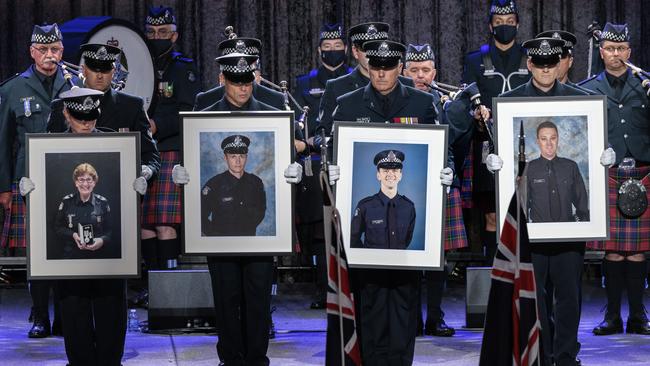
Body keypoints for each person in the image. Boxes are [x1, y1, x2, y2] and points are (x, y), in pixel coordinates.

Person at [485, 37, 615, 366]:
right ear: (529, 64)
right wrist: (494, 160)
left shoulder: (584, 101)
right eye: (538, 64)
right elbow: (499, 159)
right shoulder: (509, 102)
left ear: (559, 64)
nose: (545, 69)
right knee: (534, 294)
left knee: (569, 295)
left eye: (551, 64)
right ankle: (540, 352)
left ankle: (566, 355)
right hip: (530, 231)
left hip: (569, 232)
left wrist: (605, 158)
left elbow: (584, 199)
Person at [172, 52, 302, 365]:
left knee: (258, 300)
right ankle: (229, 358)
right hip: (220, 240)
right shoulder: (205, 112)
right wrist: (183, 172)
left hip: (257, 240)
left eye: (247, 81)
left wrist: (293, 168)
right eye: (235, 82)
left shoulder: (273, 114)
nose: (242, 89)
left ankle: (257, 358)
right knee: (226, 299)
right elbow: (200, 188)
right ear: (222, 80)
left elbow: (265, 201)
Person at [330, 39, 453, 365]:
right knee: (368, 306)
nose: (382, 73)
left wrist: (447, 171)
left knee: (403, 307)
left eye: (389, 67)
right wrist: (331, 169)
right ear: (368, 65)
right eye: (376, 66)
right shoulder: (348, 104)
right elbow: (332, 150)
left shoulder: (423, 103)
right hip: (366, 234)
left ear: (400, 67)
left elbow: (445, 148)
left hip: (404, 244)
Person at [19, 87, 144, 366]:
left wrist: (141, 179)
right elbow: (50, 217)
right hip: (69, 262)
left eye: (91, 116)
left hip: (110, 261)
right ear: (66, 113)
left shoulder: (116, 145)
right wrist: (29, 192)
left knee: (112, 319)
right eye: (79, 117)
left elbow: (118, 216)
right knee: (74, 320)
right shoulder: (49, 149)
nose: (86, 122)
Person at [0, 23, 74, 338]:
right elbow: (2, 143)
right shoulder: (12, 89)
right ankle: (41, 317)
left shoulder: (75, 84)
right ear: (32, 52)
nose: (49, 56)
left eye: (55, 49)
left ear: (62, 51)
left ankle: (65, 317)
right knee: (36, 254)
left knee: (67, 250)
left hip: (69, 178)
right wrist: (4, 186)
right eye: (43, 50)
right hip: (27, 180)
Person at [580, 22, 650, 336]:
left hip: (643, 170)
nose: (616, 54)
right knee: (611, 251)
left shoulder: (645, 85)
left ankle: (638, 315)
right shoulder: (589, 88)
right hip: (608, 173)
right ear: (602, 52)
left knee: (637, 250)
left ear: (629, 51)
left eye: (621, 49)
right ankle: (611, 317)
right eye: (610, 49)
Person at [402, 43, 475, 336]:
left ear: (435, 72)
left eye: (426, 70)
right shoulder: (399, 101)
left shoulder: (446, 103)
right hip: (405, 184)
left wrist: (462, 109)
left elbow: (458, 142)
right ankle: (410, 319)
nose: (420, 75)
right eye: (414, 70)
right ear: (404, 71)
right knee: (406, 258)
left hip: (441, 183)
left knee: (438, 259)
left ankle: (435, 317)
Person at [462, 0, 530, 264]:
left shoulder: (530, 57)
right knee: (491, 214)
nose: (505, 27)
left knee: (525, 209)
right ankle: (495, 272)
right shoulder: (475, 60)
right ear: (490, 26)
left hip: (525, 144)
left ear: (518, 24)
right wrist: (477, 115)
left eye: (510, 22)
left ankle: (522, 270)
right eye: (499, 23)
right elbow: (465, 102)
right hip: (487, 145)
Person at [293, 23, 352, 310]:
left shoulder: (354, 80)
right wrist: (312, 144)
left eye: (337, 47)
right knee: (318, 230)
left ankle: (347, 285)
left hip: (345, 157)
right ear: (318, 51)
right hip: (315, 164)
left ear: (346, 50)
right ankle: (321, 288)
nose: (332, 52)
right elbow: (300, 127)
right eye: (326, 48)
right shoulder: (305, 83)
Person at [142, 5, 201, 270]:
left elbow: (189, 110)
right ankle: (150, 287)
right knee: (144, 224)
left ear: (174, 36)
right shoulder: (135, 64)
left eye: (163, 32)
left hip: (168, 149)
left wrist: (157, 125)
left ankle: (167, 286)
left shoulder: (183, 69)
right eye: (152, 33)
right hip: (140, 150)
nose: (157, 38)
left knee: (165, 222)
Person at [46, 43, 160, 179]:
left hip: (121, 184)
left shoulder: (132, 106)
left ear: (114, 71)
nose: (99, 75)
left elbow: (150, 154)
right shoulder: (61, 107)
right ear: (83, 70)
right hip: (73, 183)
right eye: (94, 69)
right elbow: (49, 152)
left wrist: (148, 171)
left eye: (105, 70)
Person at [316, 22, 414, 147]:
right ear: (355, 51)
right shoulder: (337, 87)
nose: (372, 51)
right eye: (365, 47)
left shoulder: (407, 84)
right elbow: (321, 135)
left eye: (378, 46)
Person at [194, 36, 286, 111]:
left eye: (248, 60)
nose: (243, 88)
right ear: (222, 77)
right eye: (236, 82)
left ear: (254, 64)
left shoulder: (275, 100)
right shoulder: (205, 101)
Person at [201, 135, 266, 236]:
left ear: (246, 158)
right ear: (225, 158)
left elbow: (261, 210)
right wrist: (214, 236)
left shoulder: (256, 183)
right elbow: (199, 216)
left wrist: (246, 228)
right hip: (220, 245)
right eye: (233, 156)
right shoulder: (213, 185)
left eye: (242, 156)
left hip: (248, 241)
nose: (238, 161)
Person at [350, 150, 415, 250]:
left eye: (395, 170)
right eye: (385, 170)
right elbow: (352, 239)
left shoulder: (409, 207)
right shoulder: (365, 206)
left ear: (400, 175)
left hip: (400, 263)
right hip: (372, 263)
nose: (390, 174)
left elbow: (406, 241)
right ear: (378, 175)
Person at [526, 121, 589, 223]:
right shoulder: (528, 169)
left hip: (567, 230)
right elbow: (522, 206)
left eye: (553, 138)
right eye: (544, 139)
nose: (549, 143)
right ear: (537, 141)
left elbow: (582, 204)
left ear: (558, 139)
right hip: (538, 232)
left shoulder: (571, 167)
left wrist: (581, 228)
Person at [54, 163, 113, 260]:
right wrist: (73, 235)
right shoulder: (66, 202)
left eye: (89, 180)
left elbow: (110, 230)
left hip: (99, 256)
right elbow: (58, 227)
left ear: (94, 182)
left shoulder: (102, 203)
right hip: (72, 255)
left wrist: (102, 240)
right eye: (81, 180)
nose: (85, 184)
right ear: (76, 182)